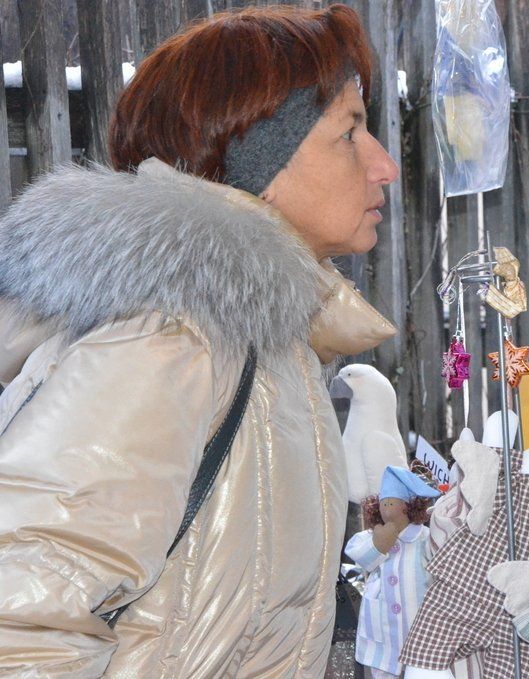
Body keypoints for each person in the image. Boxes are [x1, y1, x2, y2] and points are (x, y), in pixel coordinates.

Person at [0, 5, 398, 676]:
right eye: (349, 133)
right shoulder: (170, 342)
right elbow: (22, 623)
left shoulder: (268, 344)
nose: (384, 165)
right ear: (257, 160)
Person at [344, 466, 440, 678]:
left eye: (393, 502)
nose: (387, 508)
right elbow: (357, 553)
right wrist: (378, 544)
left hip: (417, 625)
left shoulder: (424, 538)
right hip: (382, 630)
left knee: (421, 669)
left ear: (409, 507)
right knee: (383, 669)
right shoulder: (370, 536)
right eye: (384, 503)